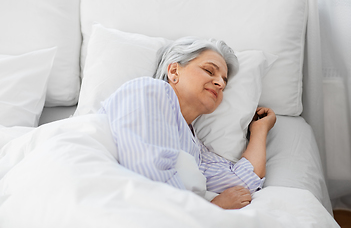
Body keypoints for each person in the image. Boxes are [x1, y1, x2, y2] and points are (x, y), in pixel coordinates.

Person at [98, 37, 276, 209]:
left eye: (224, 82)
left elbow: (243, 183)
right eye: (209, 71)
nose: (220, 83)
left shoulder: (196, 148)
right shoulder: (150, 91)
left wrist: (259, 130)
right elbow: (148, 182)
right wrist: (212, 209)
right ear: (174, 71)